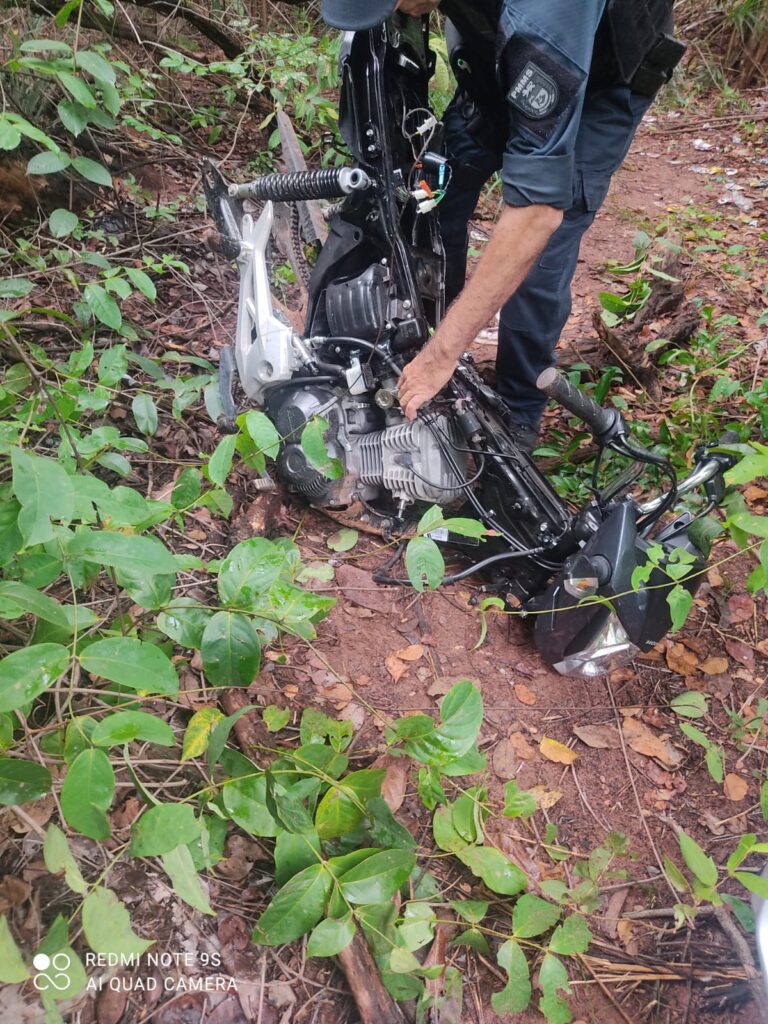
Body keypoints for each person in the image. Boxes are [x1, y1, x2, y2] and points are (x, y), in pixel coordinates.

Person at [321, 0, 683, 450]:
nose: (398, 12)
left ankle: (518, 412)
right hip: (498, 60)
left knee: (540, 260)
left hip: (608, 80)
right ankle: (421, 338)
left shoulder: (546, 14)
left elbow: (537, 215)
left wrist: (442, 356)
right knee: (432, 198)